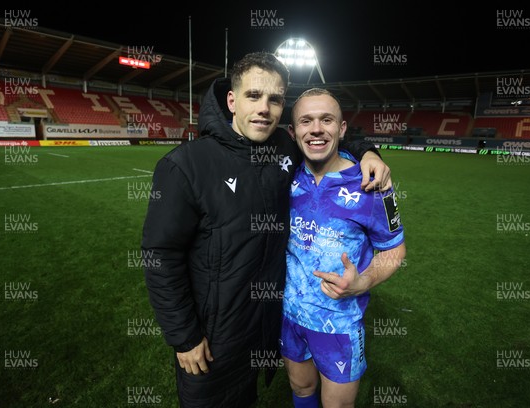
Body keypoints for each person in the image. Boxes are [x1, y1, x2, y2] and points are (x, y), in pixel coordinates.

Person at [141, 52, 392, 408]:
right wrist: (184, 336)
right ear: (231, 100)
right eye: (253, 95)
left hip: (265, 326)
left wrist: (369, 153)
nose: (264, 108)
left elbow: (323, 136)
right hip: (213, 337)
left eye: (275, 99)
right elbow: (160, 255)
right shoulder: (185, 165)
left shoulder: (283, 149)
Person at [281, 88, 407, 408]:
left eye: (327, 120)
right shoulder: (282, 175)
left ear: (342, 128)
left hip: (338, 322)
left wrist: (363, 282)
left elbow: (394, 251)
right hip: (288, 313)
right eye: (306, 121)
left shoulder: (374, 185)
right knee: (301, 388)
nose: (317, 129)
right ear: (293, 132)